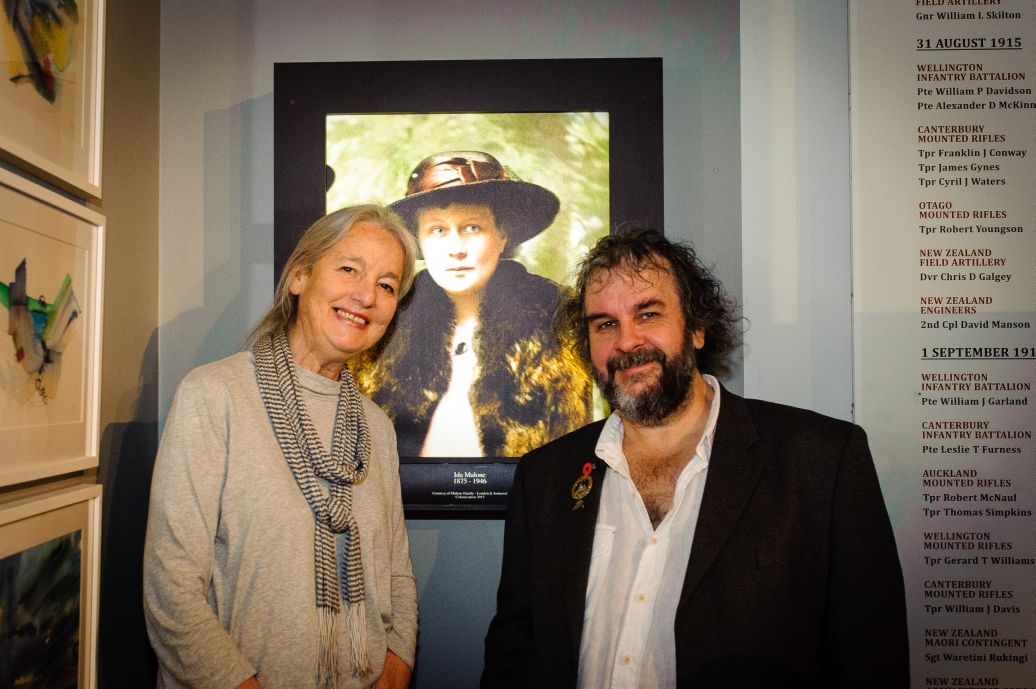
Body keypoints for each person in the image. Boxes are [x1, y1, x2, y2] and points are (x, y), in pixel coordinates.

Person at [482, 229, 910, 688]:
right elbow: (515, 650)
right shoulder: (544, 477)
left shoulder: (822, 461)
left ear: (698, 327)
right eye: (605, 324)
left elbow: (872, 660)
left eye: (648, 314)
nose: (627, 341)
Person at [143, 205, 420, 689]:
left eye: (387, 285)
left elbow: (397, 574)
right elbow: (171, 591)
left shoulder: (376, 429)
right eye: (350, 269)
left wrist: (397, 667)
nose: (365, 296)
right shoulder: (214, 396)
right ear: (299, 276)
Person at [352, 151, 592, 458]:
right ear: (419, 241)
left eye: (472, 228)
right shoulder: (383, 320)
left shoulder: (560, 319)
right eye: (438, 230)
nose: (455, 249)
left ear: (502, 236)